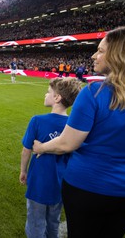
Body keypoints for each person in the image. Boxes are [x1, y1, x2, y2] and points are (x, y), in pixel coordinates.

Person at [33, 26, 125, 238]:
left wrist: (41, 146)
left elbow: (67, 144)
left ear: (120, 55)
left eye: (101, 50)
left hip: (87, 186)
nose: (94, 55)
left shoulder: (94, 93)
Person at [20, 77, 82, 238]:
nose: (45, 95)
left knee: (35, 222)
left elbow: (27, 150)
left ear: (57, 97)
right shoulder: (75, 126)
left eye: (48, 92)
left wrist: (23, 171)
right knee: (53, 222)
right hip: (62, 182)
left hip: (39, 182)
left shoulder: (37, 121)